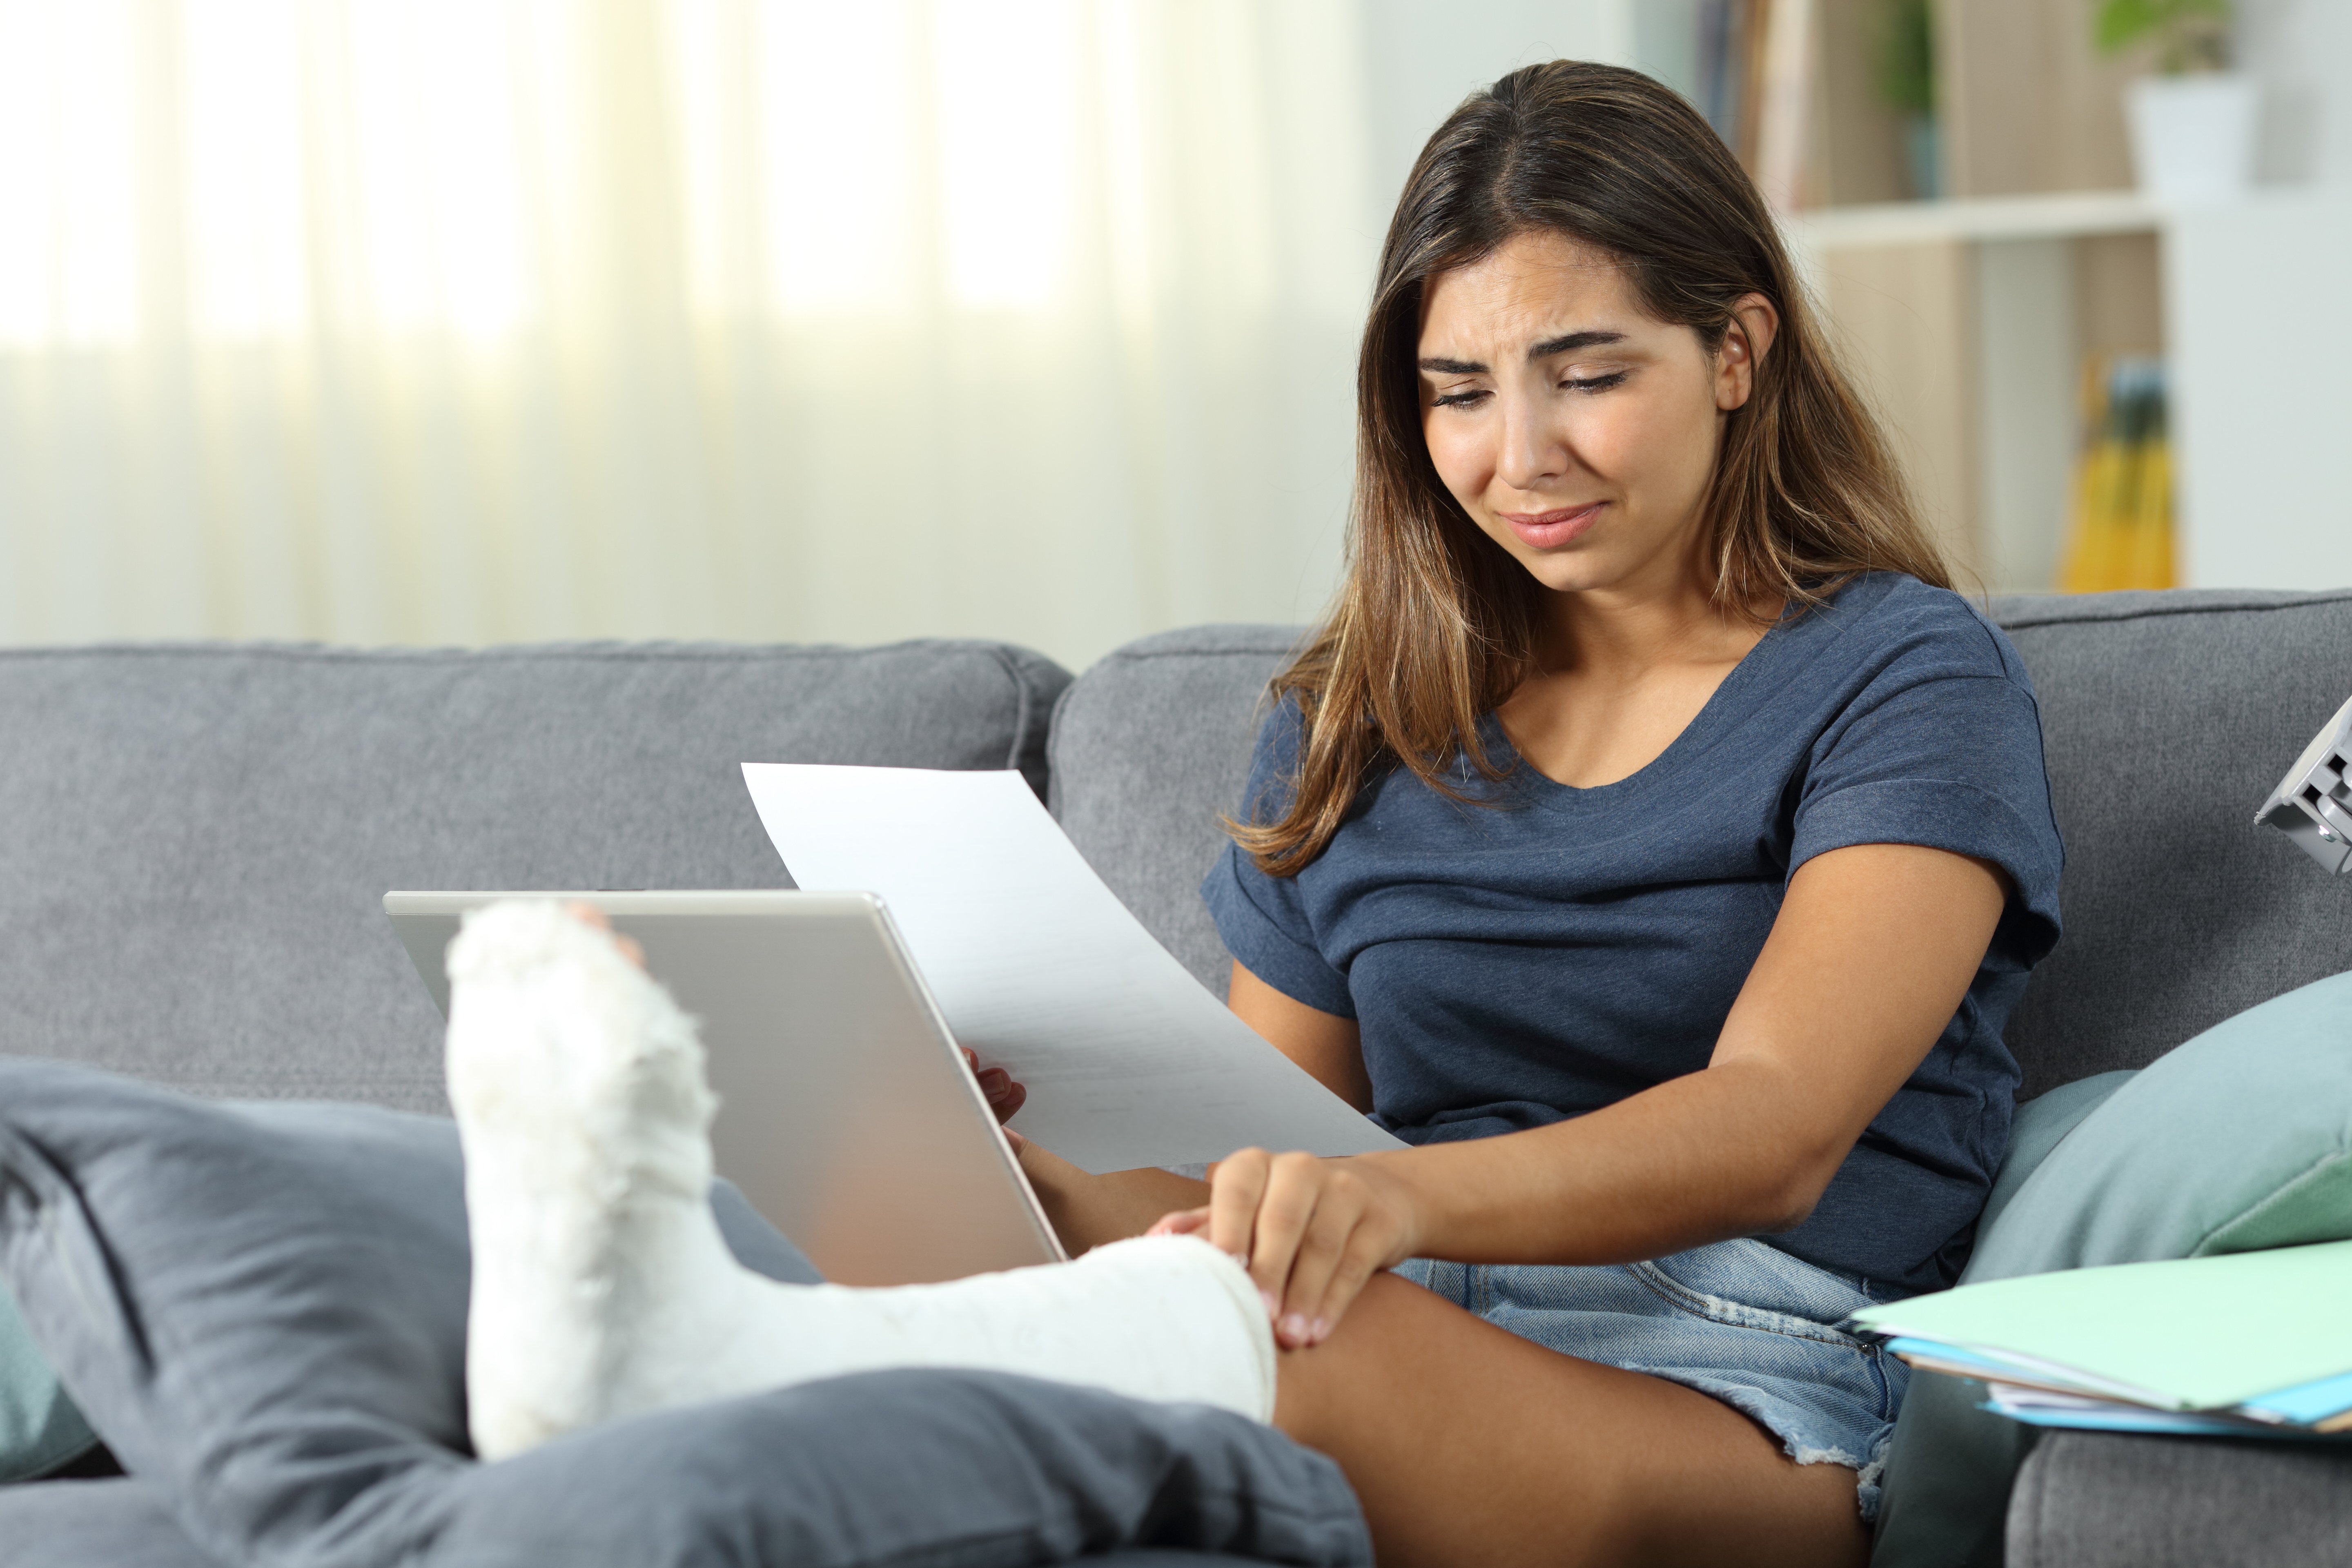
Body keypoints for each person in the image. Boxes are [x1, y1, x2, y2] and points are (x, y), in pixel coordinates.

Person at [454, 59, 2060, 1568]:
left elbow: (1777, 1128)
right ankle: (686, 1321)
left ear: (1737, 353)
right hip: (1392, 1296)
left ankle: (700, 1364)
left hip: (1743, 1368)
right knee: (1067, 1229)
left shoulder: (1906, 675)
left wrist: (1392, 1197)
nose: (1520, 456)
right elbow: (1261, 1159)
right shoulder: (1356, 721)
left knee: (1247, 1332)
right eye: (1458, 393)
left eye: (1587, 376)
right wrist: (1012, 1170)